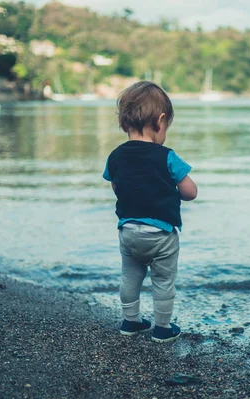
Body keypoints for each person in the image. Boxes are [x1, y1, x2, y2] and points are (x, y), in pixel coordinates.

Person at [102, 81, 197, 343]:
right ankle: (163, 328)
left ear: (124, 123)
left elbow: (116, 186)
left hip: (128, 232)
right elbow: (190, 192)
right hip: (161, 234)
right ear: (160, 121)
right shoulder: (166, 156)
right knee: (163, 280)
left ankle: (131, 322)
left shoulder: (116, 156)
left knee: (130, 276)